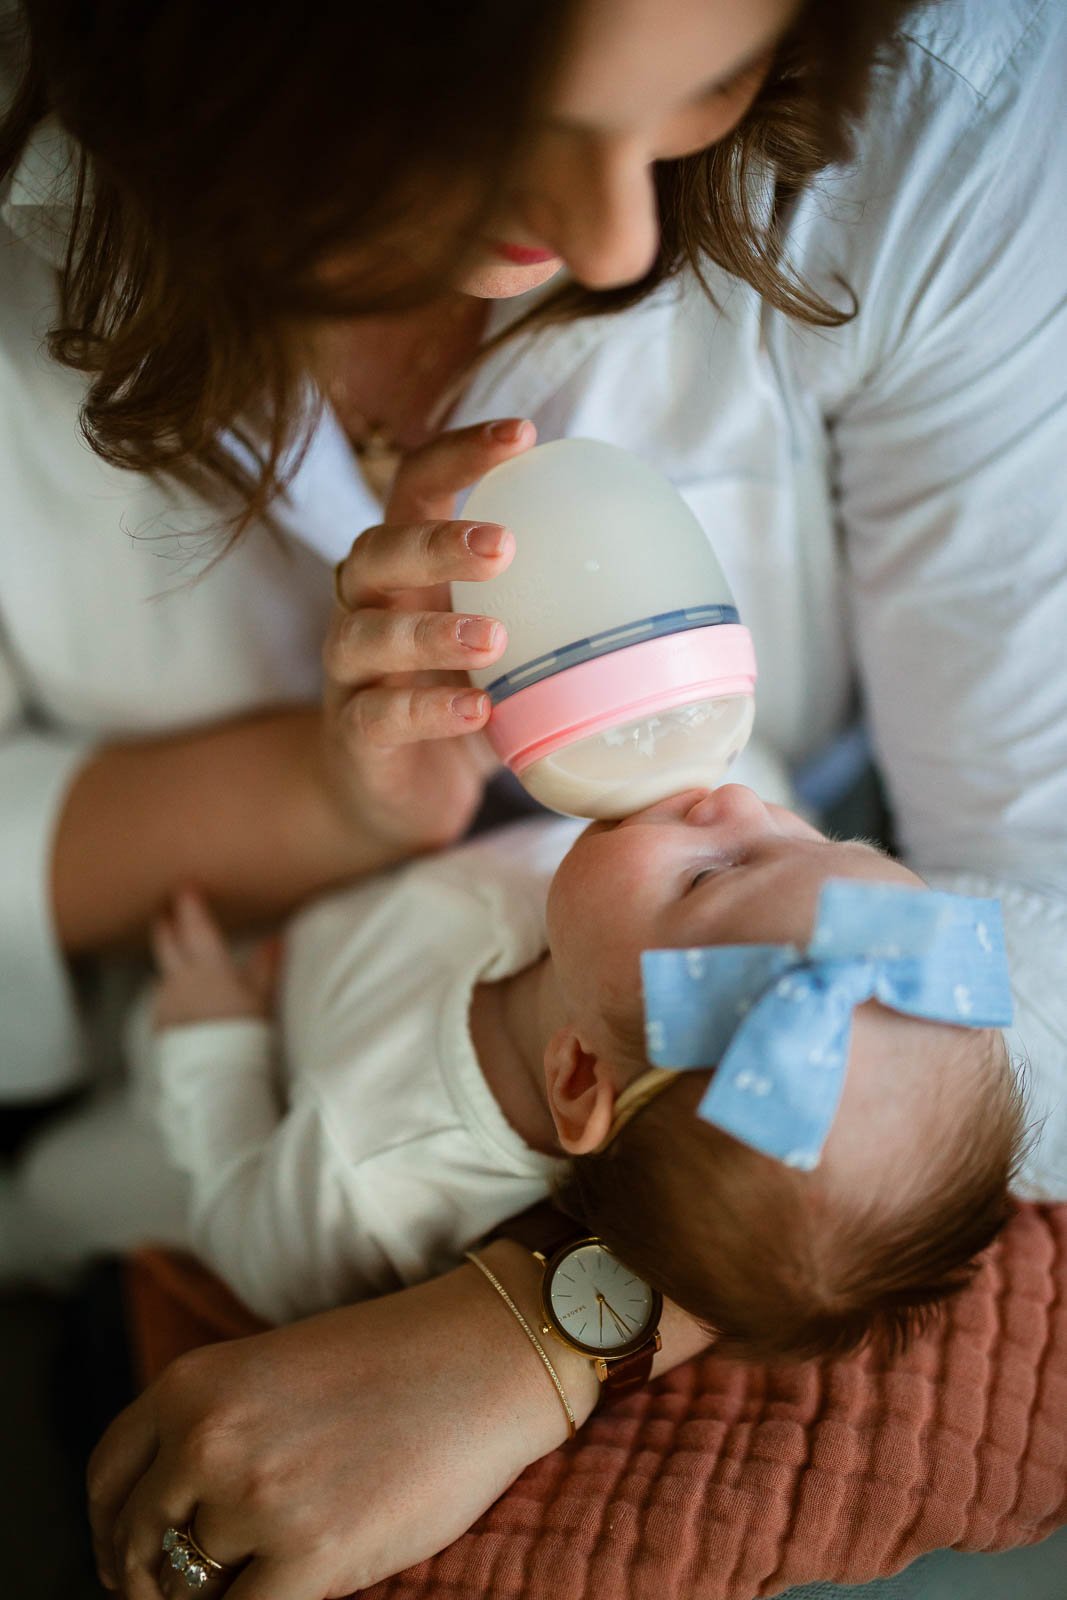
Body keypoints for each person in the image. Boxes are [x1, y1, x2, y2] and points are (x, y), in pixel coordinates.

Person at [0, 0, 1063, 1594]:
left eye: (708, 82)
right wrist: (324, 799)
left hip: (215, 1081)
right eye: (496, 136)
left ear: (579, 1079)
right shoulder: (675, 894)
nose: (619, 233)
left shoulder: (374, 1169)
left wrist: (538, 1331)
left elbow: (239, 1200)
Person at [131, 786, 1024, 1364]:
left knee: (63, 1192)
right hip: (317, 906)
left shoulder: (372, 1174)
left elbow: (243, 1233)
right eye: (827, 838)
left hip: (179, 1078)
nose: (743, 800)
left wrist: (215, 1040)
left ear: (577, 1076)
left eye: (713, 873)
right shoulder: (619, 930)